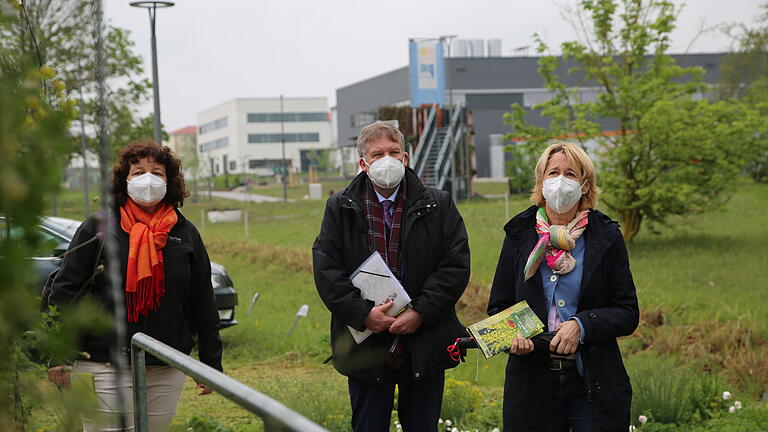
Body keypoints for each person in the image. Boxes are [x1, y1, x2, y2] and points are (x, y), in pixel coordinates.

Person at [47, 141, 222, 431]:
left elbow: (202, 298)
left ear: (170, 181)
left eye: (157, 172)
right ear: (124, 180)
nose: (148, 179)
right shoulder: (98, 227)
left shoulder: (184, 231)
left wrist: (210, 362)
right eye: (138, 172)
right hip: (101, 363)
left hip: (165, 365)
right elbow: (66, 290)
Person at [313, 121, 470, 432]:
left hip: (424, 342)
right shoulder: (340, 207)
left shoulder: (437, 205)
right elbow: (327, 269)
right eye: (377, 154)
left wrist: (420, 312)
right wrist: (362, 314)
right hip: (366, 347)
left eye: (394, 152)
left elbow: (455, 266)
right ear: (363, 164)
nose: (387, 159)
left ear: (406, 158)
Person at [487, 141, 639, 432]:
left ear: (585, 185)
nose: (560, 181)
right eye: (553, 172)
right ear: (541, 182)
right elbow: (499, 306)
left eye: (570, 174)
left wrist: (582, 325)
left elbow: (627, 312)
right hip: (532, 382)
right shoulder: (519, 235)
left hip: (591, 381)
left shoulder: (605, 237)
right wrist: (514, 336)